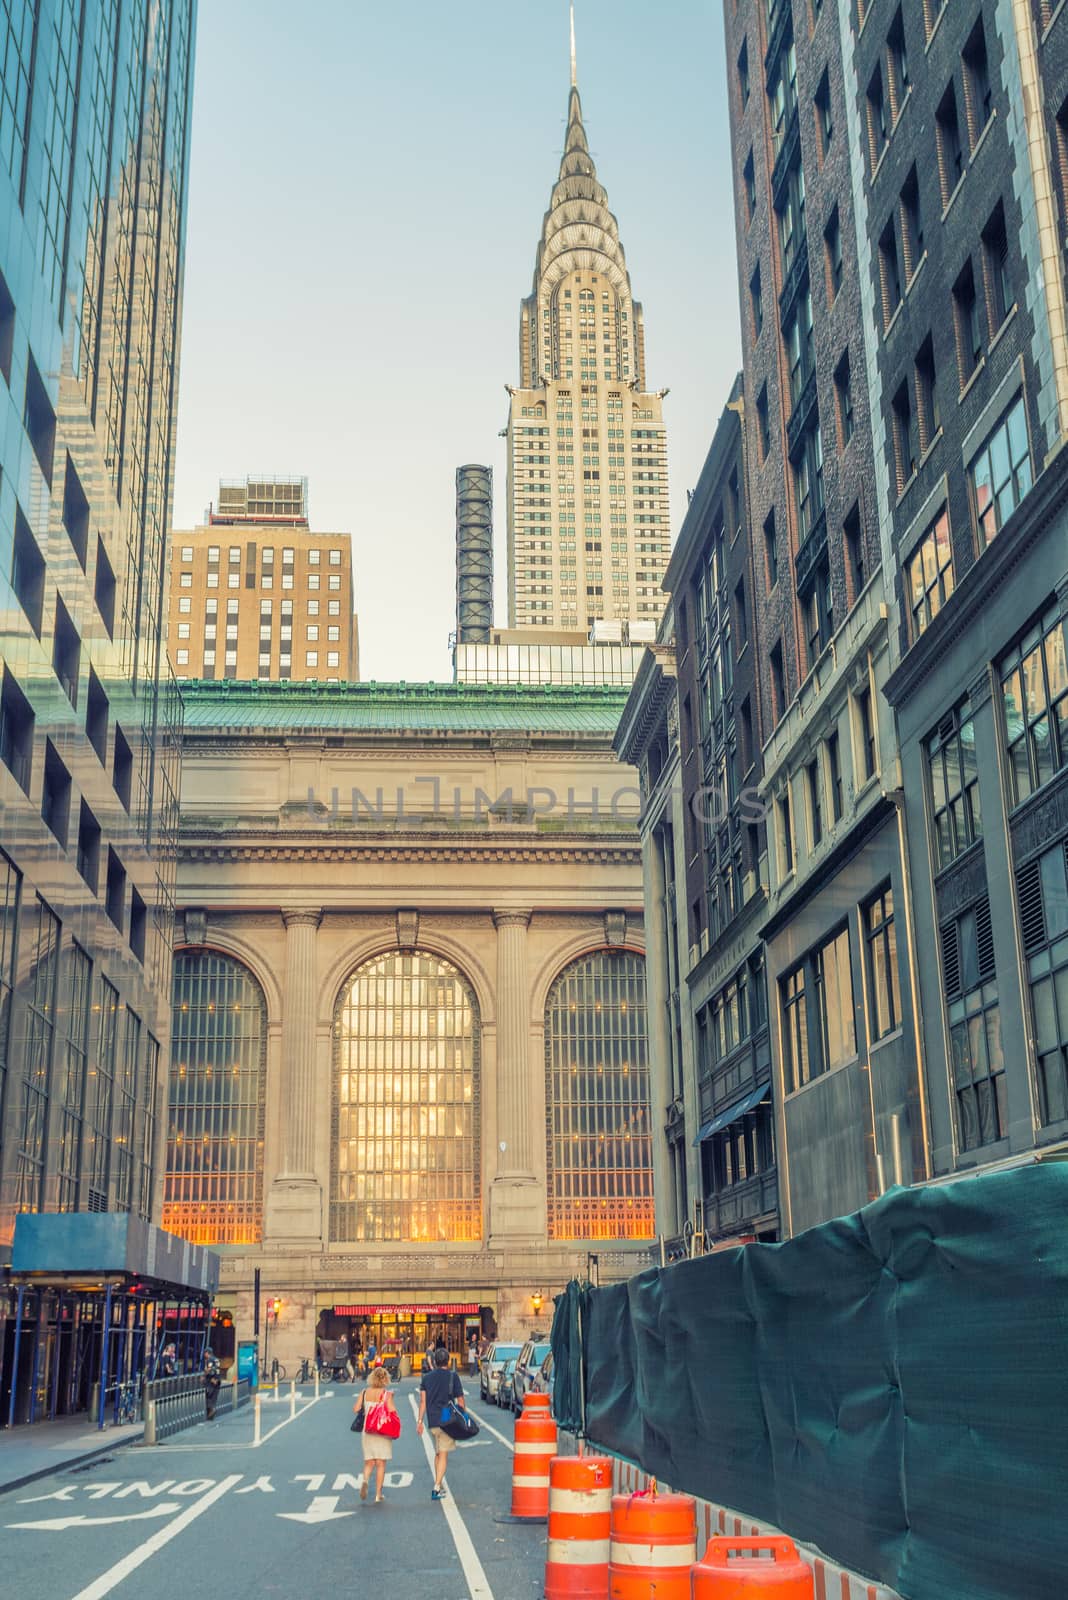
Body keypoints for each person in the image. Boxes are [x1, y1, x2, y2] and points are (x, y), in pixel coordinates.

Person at [417, 1345, 467, 1500]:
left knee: (438, 1451)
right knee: (444, 1454)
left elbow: (423, 1402)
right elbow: (460, 1401)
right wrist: (463, 1417)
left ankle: (438, 1480)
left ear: (435, 1361)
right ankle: (437, 1487)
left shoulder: (426, 1378)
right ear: (448, 1360)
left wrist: (419, 1421)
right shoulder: (453, 1376)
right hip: (446, 1416)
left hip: (432, 1418)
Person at [353, 1364, 397, 1505]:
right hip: (382, 1431)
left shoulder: (364, 1392)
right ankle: (378, 1494)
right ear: (385, 1380)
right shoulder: (386, 1394)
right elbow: (392, 1412)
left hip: (367, 1430)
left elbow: (356, 1409)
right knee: (381, 1464)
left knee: (369, 1462)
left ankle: (365, 1480)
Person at [203, 1350, 221, 1420]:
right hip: (218, 1380)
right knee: (214, 1397)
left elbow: (210, 1370)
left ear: (208, 1353)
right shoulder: (217, 1359)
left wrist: (204, 1376)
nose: (204, 1354)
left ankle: (212, 1410)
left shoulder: (210, 1359)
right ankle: (211, 1415)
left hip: (212, 1381)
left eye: (205, 1353)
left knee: (208, 1396)